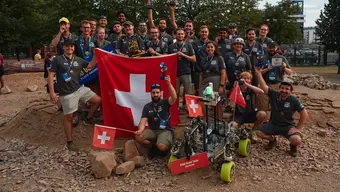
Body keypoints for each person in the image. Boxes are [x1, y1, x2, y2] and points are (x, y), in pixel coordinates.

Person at [48, 39, 101, 151]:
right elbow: (51, 75)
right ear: (63, 47)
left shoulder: (78, 59)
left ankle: (88, 118)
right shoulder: (57, 60)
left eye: (72, 46)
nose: (70, 48)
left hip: (79, 89)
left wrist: (96, 55)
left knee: (98, 100)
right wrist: (52, 92)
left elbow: (90, 66)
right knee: (69, 117)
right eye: (67, 46)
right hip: (67, 93)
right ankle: (70, 142)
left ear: (74, 48)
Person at [255, 67, 308, 157]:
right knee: (258, 132)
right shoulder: (275, 94)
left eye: (287, 89)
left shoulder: (293, 100)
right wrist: (259, 73)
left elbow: (304, 114)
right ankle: (273, 140)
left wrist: (297, 128)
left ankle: (293, 146)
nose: (284, 90)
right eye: (282, 88)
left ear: (290, 92)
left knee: (296, 140)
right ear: (279, 89)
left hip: (287, 127)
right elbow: (264, 87)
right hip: (273, 124)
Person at [135, 76, 177, 155]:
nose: (155, 95)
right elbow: (143, 121)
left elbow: (174, 97)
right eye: (153, 93)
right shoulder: (147, 106)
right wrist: (140, 130)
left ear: (160, 93)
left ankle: (167, 148)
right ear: (150, 94)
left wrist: (169, 84)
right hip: (152, 130)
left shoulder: (165, 102)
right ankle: (152, 148)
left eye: (157, 92)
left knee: (161, 146)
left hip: (165, 130)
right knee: (138, 137)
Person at [229, 72, 266, 142]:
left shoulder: (251, 89)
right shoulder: (236, 90)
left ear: (250, 81)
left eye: (248, 79)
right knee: (231, 126)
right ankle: (237, 134)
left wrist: (247, 85)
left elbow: (262, 92)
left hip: (250, 113)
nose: (246, 80)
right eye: (244, 78)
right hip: (239, 115)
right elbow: (231, 105)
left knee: (262, 114)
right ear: (240, 80)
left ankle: (253, 130)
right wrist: (235, 89)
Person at [257, 41, 292, 112]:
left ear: (277, 48)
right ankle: (264, 122)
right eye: (270, 47)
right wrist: (267, 69)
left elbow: (289, 73)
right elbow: (258, 72)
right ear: (267, 48)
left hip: (277, 85)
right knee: (263, 106)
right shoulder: (262, 58)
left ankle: (275, 121)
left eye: (273, 47)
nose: (271, 49)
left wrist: (284, 68)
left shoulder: (282, 58)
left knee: (276, 107)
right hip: (265, 85)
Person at [168, 28, 196, 109]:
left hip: (186, 72)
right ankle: (174, 110)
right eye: (178, 34)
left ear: (184, 35)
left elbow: (194, 59)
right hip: (174, 73)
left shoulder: (188, 45)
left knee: (189, 92)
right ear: (175, 35)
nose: (180, 35)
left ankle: (190, 110)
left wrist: (184, 55)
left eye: (182, 34)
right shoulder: (171, 46)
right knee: (174, 93)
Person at [198, 41, 226, 117]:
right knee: (202, 100)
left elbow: (223, 73)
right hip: (205, 80)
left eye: (211, 47)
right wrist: (200, 86)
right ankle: (205, 119)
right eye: (208, 47)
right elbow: (201, 74)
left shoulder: (219, 58)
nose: (209, 48)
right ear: (205, 49)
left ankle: (217, 120)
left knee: (215, 101)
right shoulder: (203, 59)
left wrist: (221, 85)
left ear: (215, 48)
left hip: (216, 80)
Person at [192, 25, 210, 95]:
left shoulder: (212, 43)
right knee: (198, 91)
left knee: (209, 91)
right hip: (198, 72)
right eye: (202, 32)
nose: (204, 33)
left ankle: (207, 106)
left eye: (205, 32)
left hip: (209, 72)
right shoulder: (194, 44)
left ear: (208, 33)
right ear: (199, 33)